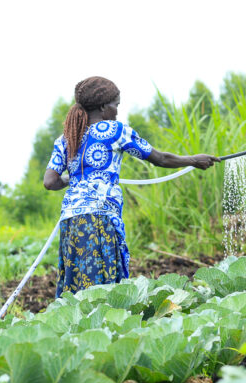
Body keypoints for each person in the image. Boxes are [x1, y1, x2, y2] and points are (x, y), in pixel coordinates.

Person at [44, 76, 219, 297]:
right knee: (104, 288)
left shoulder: (67, 137)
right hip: (99, 218)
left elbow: (50, 182)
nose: (117, 111)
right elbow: (160, 158)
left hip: (70, 220)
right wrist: (194, 160)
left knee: (77, 285)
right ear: (103, 107)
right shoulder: (115, 131)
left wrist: (75, 179)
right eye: (115, 105)